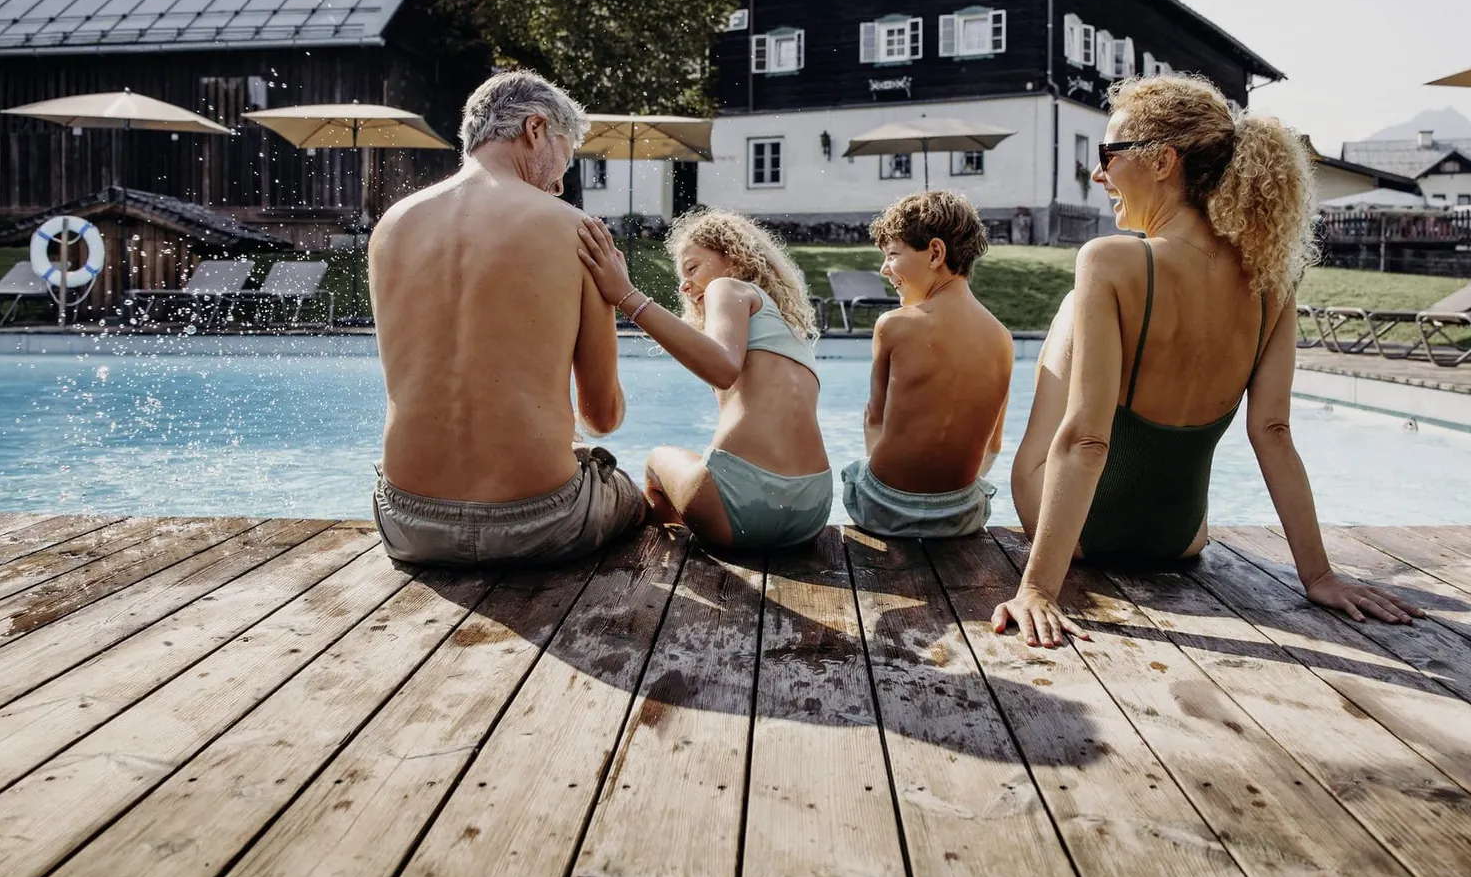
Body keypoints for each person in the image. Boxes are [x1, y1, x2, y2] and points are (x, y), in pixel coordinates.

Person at [995, 74, 1425, 647]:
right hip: (1181, 537)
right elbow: (1272, 432)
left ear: (1162, 161)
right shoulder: (1274, 278)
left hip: (1081, 538)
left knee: (1075, 307)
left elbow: (1087, 441)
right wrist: (1318, 575)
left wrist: (1038, 590)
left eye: (1109, 156)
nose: (1099, 174)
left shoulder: (1110, 261)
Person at [368, 71, 644, 566]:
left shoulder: (393, 225)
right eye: (565, 155)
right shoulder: (577, 231)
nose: (560, 182)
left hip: (407, 523)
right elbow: (601, 419)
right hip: (541, 523)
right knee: (636, 495)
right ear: (536, 130)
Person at [577, 207, 833, 550]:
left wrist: (625, 295)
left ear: (734, 258)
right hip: (812, 509)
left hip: (740, 506)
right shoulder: (789, 332)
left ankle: (648, 559)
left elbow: (722, 369)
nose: (684, 285)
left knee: (657, 459)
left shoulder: (727, 287)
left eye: (692, 268)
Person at [843, 191, 1013, 538]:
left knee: (853, 472)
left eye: (892, 255)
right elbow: (993, 446)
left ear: (935, 253)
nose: (884, 268)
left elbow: (874, 420)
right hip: (962, 516)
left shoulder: (894, 325)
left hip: (885, 509)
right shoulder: (1002, 338)